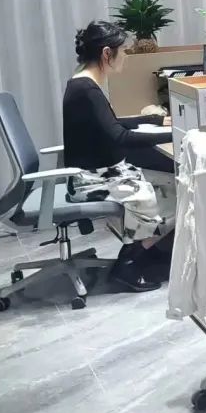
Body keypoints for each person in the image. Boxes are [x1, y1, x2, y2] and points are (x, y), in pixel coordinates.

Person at [63, 21, 174, 292]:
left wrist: (154, 121)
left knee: (172, 185)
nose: (125, 55)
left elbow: (111, 124)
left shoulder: (81, 83)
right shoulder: (87, 90)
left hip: (94, 171)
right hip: (93, 179)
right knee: (183, 192)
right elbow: (119, 137)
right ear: (106, 54)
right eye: (122, 50)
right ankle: (130, 261)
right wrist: (174, 135)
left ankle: (145, 247)